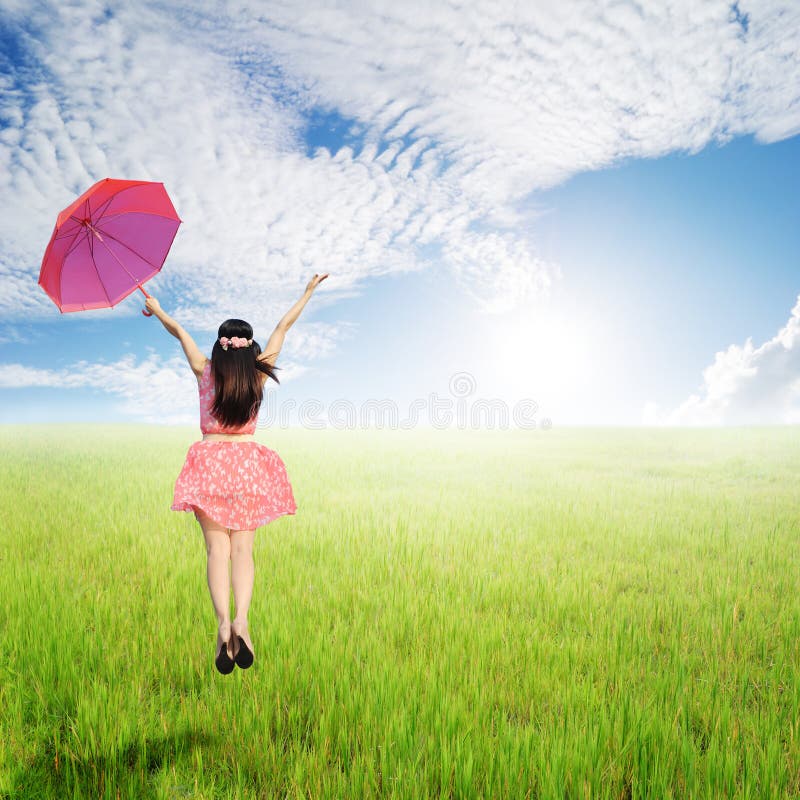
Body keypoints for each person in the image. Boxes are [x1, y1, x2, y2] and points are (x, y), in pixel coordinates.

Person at [145, 273, 329, 673]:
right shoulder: (258, 372)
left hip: (210, 464)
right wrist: (307, 293)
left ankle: (222, 625)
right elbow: (283, 327)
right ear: (249, 349)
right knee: (243, 550)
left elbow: (178, 331)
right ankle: (243, 622)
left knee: (217, 551)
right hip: (247, 466)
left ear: (220, 346)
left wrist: (157, 308)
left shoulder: (204, 370)